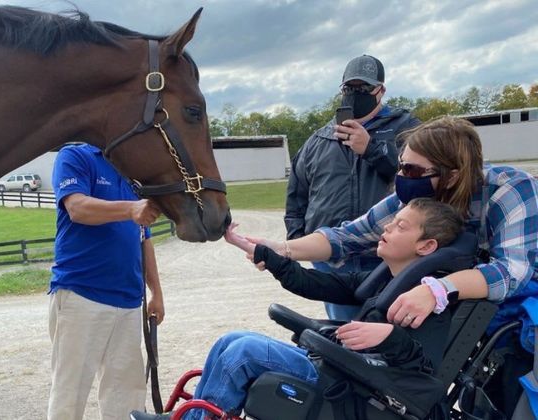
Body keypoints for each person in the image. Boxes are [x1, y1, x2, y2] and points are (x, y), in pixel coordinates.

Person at [260, 116, 538, 417]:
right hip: (475, 305)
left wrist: (438, 290)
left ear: (453, 176)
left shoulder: (509, 191)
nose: (402, 176)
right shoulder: (419, 199)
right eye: (402, 166)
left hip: (522, 305)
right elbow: (348, 236)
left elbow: (510, 274)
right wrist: (282, 250)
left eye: (413, 170)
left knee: (515, 390)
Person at [130, 198, 465, 420]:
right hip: (341, 367)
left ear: (426, 246)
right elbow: (311, 283)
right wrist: (258, 249)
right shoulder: (382, 282)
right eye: (391, 222)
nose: (387, 228)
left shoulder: (426, 298)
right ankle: (190, 417)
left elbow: (424, 368)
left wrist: (390, 336)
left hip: (359, 386)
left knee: (245, 352)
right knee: (231, 339)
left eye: (401, 227)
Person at [286, 54, 421, 322]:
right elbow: (297, 194)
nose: (354, 94)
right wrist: (298, 238)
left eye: (363, 88)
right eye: (349, 88)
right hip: (332, 258)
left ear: (380, 90)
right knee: (343, 332)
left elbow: (422, 178)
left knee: (388, 328)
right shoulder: (320, 138)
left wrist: (371, 150)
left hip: (385, 255)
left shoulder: (407, 130)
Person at [47, 143, 165, 420]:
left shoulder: (131, 172)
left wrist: (156, 292)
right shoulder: (75, 156)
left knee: (127, 392)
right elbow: (77, 208)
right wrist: (131, 209)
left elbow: (144, 239)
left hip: (128, 301)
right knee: (70, 392)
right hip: (81, 294)